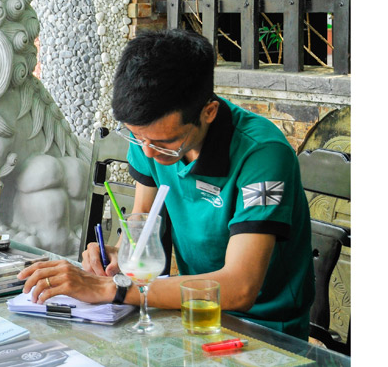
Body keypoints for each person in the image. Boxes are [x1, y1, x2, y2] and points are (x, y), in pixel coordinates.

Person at [19, 29, 314, 339]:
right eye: (138, 137)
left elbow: (240, 287)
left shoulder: (262, 155)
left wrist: (114, 289)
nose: (148, 152)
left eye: (165, 142)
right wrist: (118, 256)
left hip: (262, 329)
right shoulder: (150, 137)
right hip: (187, 315)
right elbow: (143, 223)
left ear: (209, 112)